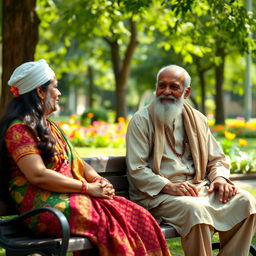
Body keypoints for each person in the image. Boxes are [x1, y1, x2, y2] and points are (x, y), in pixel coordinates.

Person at [0, 59, 171, 256]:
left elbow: (79, 165)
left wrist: (99, 180)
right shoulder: (19, 130)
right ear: (40, 92)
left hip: (68, 197)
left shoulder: (51, 127)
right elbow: (38, 175)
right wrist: (88, 188)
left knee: (137, 215)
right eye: (55, 87)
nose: (59, 93)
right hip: (41, 208)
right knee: (105, 221)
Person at [126, 64, 256, 256]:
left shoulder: (198, 119)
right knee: (196, 212)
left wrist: (220, 178)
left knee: (247, 202)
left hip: (198, 189)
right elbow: (137, 169)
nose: (166, 92)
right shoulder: (141, 120)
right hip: (158, 196)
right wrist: (169, 186)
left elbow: (217, 159)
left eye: (174, 87)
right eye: (162, 86)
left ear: (186, 92)